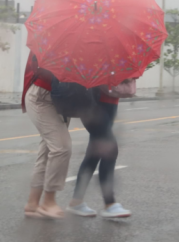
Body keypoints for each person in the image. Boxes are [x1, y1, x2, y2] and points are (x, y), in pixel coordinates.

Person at [66, 77, 136, 219]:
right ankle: (109, 204)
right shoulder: (97, 55)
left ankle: (76, 202)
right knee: (109, 149)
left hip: (111, 101)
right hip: (92, 104)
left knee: (94, 154)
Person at [21, 53, 72, 219]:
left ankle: (32, 203)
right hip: (42, 96)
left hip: (62, 98)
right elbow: (45, 66)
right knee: (62, 148)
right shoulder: (55, 36)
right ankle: (48, 201)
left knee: (48, 150)